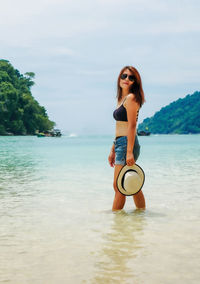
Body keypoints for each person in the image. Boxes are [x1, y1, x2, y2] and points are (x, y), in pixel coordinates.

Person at [108, 66, 146, 211]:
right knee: (129, 183)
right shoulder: (122, 99)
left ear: (135, 82)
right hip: (120, 143)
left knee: (119, 185)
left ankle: (116, 222)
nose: (126, 79)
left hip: (127, 144)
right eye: (124, 76)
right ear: (119, 78)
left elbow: (131, 126)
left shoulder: (131, 98)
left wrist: (129, 151)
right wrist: (113, 149)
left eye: (131, 77)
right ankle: (141, 214)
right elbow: (120, 127)